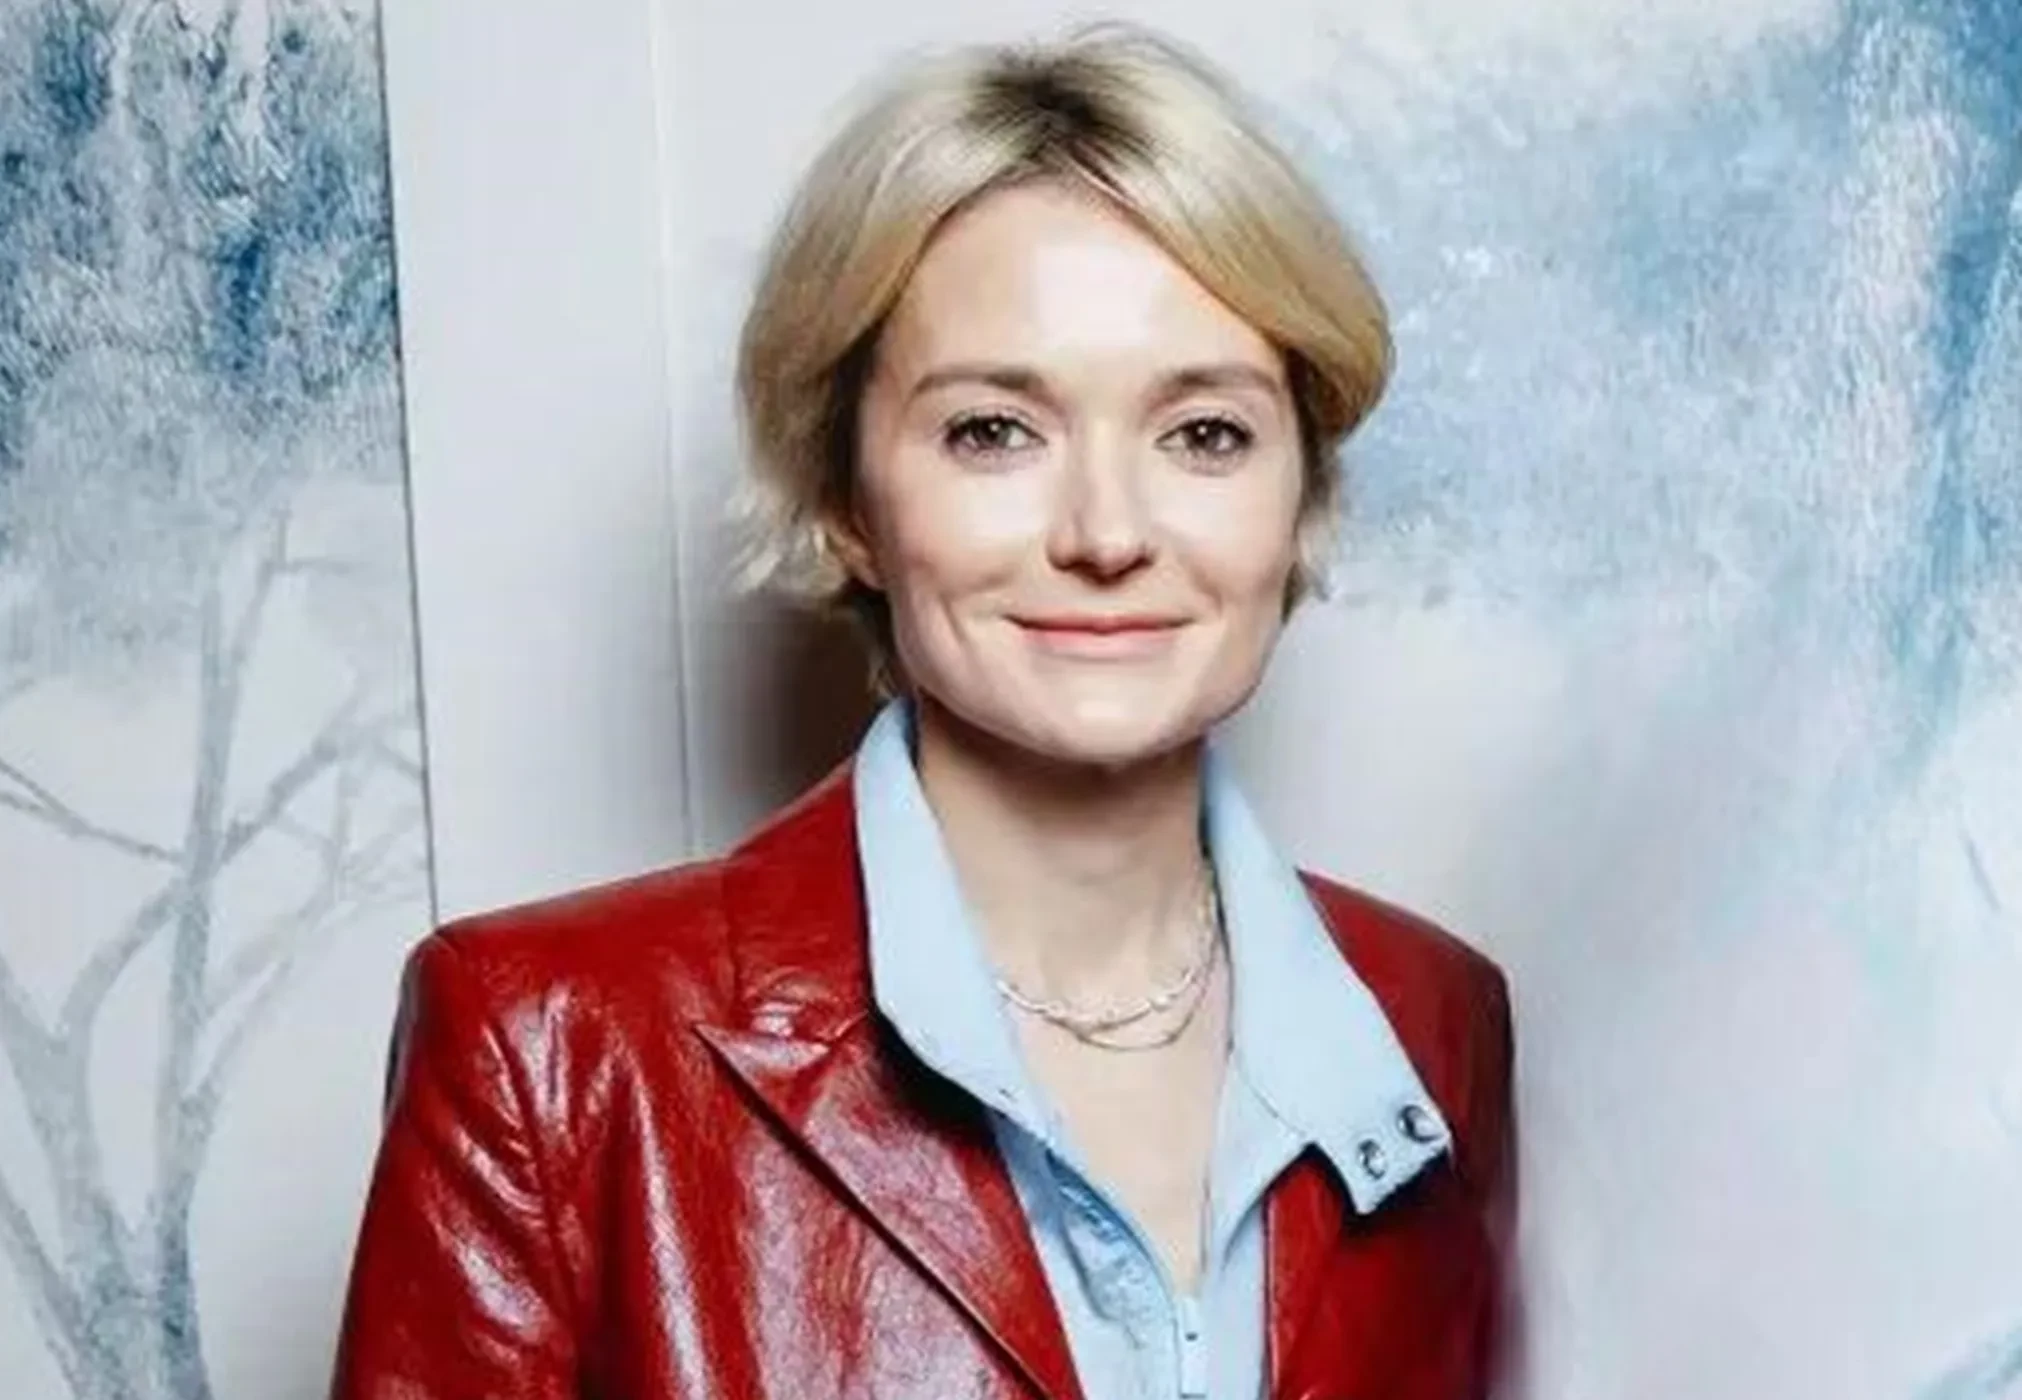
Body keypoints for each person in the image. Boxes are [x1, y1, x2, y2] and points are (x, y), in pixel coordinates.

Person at [329, 21, 1517, 1400]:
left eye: (1204, 433)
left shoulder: (1436, 1021)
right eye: (992, 431)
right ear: (845, 499)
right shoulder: (544, 1050)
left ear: (1298, 495)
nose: (1106, 532)